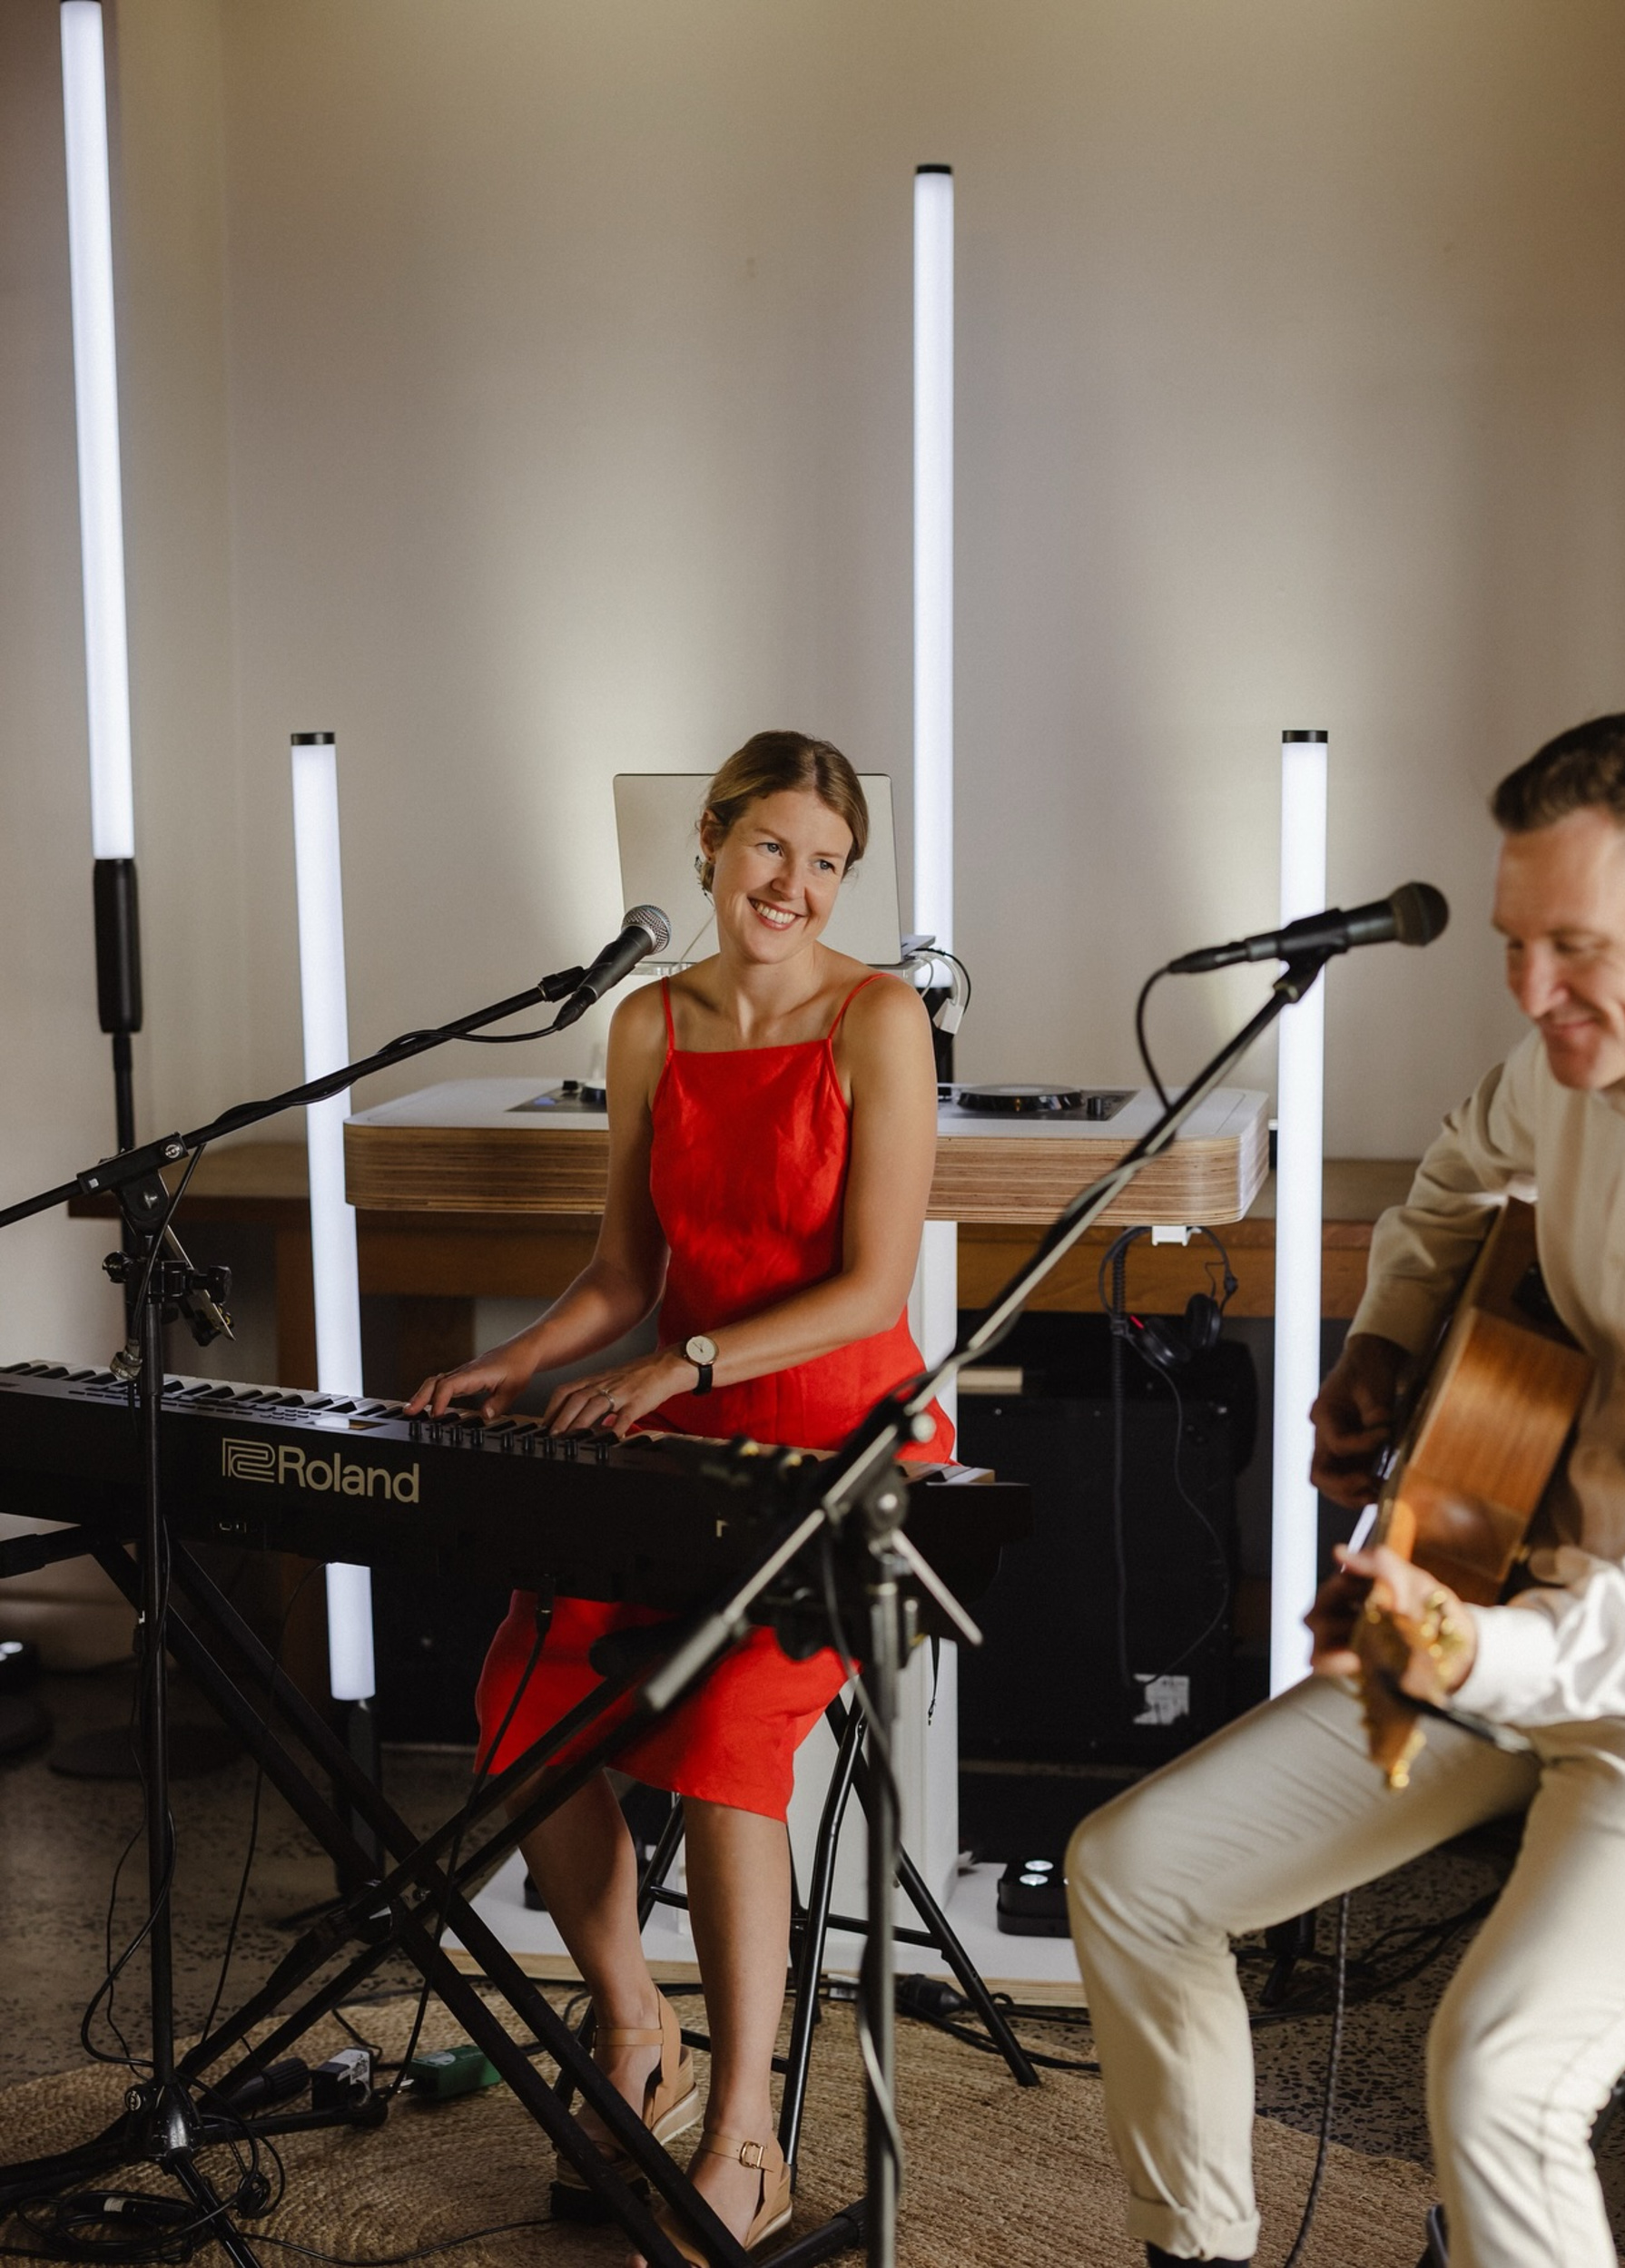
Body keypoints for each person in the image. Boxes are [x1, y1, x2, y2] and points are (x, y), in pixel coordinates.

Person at [1066, 712, 1625, 2268]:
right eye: (1511, 944)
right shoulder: (1573, 1071)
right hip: (1508, 1601)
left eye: (1576, 948)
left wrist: (1485, 1651)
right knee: (1131, 1879)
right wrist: (1388, 1345)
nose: (1536, 996)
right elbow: (1452, 1179)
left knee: (1497, 2072)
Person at [409, 730, 952, 2264]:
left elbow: (871, 1292)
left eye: (827, 862)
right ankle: (635, 2025)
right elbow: (623, 1277)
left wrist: (680, 1365)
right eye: (770, 846)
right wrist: (512, 1364)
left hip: (839, 1452)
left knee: (720, 1740)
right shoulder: (650, 1025)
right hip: (688, 1434)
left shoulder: (879, 1017)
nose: (794, 883)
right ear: (710, 844)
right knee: (523, 1696)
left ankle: (745, 2140)